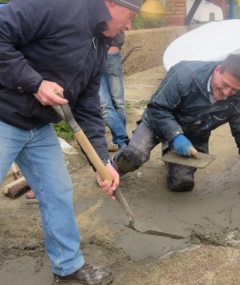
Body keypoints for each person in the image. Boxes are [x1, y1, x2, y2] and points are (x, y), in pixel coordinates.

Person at [0, 0, 142, 284]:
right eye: (130, 16)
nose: (129, 25)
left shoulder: (101, 44)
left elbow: (87, 107)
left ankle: (67, 268)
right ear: (113, 2)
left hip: (38, 126)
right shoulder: (58, 6)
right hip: (3, 115)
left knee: (58, 192)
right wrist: (33, 82)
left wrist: (102, 162)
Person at [112, 54, 240, 195]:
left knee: (182, 183)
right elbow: (157, 108)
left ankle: (170, 156)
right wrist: (175, 135)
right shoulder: (184, 74)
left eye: (233, 89)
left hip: (193, 133)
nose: (226, 93)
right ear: (218, 69)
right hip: (158, 121)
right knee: (133, 157)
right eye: (224, 84)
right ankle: (110, 170)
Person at [100, 33, 129, 152]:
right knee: (113, 103)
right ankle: (123, 142)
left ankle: (120, 141)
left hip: (101, 53)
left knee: (107, 104)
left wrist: (115, 45)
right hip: (97, 56)